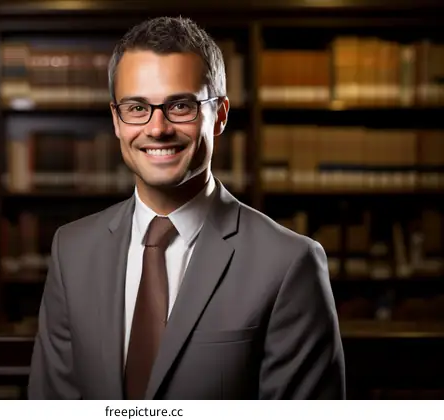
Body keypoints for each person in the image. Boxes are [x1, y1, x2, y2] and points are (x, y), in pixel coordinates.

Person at [28, 16, 345, 400]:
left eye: (180, 105)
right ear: (116, 119)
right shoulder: (72, 250)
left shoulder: (289, 264)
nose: (157, 128)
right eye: (136, 107)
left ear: (221, 115)